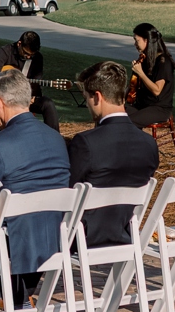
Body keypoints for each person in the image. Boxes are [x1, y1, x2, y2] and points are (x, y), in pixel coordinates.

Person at [0, 69, 70, 311]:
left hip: (16, 244)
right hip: (55, 236)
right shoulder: (56, 139)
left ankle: (15, 302)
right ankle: (20, 300)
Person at [67, 61, 160, 248]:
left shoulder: (86, 143)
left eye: (86, 98)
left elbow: (67, 193)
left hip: (83, 237)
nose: (87, 105)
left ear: (97, 97)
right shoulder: (149, 144)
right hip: (126, 234)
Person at [0, 30, 60, 130]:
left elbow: (36, 81)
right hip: (5, 98)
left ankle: (53, 137)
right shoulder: (5, 52)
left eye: (31, 55)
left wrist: (33, 96)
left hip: (25, 98)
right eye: (26, 53)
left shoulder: (37, 58)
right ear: (19, 44)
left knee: (48, 104)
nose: (28, 57)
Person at [126, 22, 175, 127]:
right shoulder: (144, 59)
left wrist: (140, 72)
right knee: (110, 116)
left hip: (159, 108)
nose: (135, 44)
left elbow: (157, 90)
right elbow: (134, 86)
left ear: (146, 40)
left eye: (137, 41)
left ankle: (137, 143)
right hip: (141, 105)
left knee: (127, 122)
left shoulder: (163, 62)